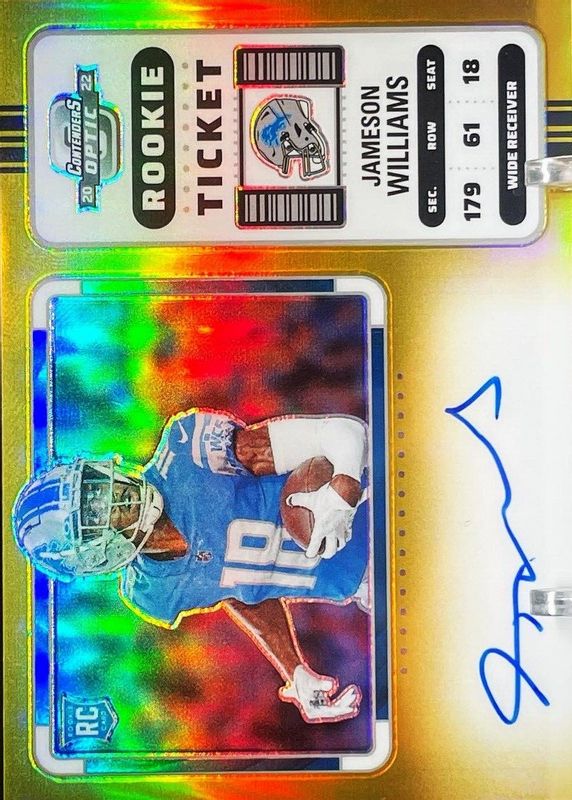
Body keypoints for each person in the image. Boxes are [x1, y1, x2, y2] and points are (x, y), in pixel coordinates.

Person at [14, 410, 370, 724]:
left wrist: (344, 487)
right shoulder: (151, 592)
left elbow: (343, 432)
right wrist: (294, 670)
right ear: (95, 555)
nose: (111, 497)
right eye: (93, 513)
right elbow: (238, 590)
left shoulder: (186, 452)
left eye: (94, 488)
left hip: (379, 501)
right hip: (368, 585)